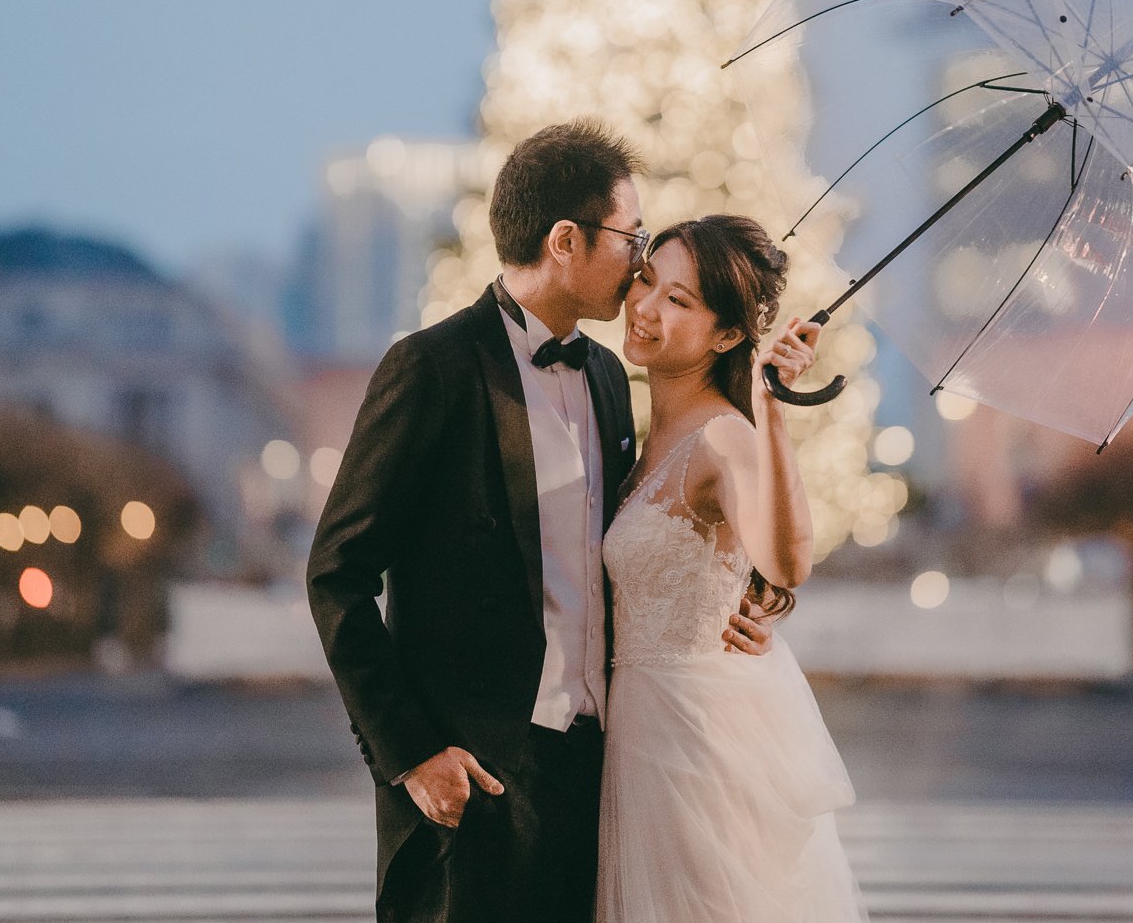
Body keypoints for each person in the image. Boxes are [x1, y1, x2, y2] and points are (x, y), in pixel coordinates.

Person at [305, 121, 774, 923]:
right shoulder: (431, 370)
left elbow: (639, 542)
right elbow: (336, 574)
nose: (639, 258)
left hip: (606, 777)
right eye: (631, 236)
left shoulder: (604, 375)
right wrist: (412, 754)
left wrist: (743, 604)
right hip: (474, 785)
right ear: (566, 239)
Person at [599, 214, 868, 922]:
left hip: (693, 741)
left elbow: (786, 560)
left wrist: (772, 409)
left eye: (679, 300)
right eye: (647, 281)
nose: (647, 307)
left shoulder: (725, 437)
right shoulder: (641, 431)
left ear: (726, 333)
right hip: (639, 734)